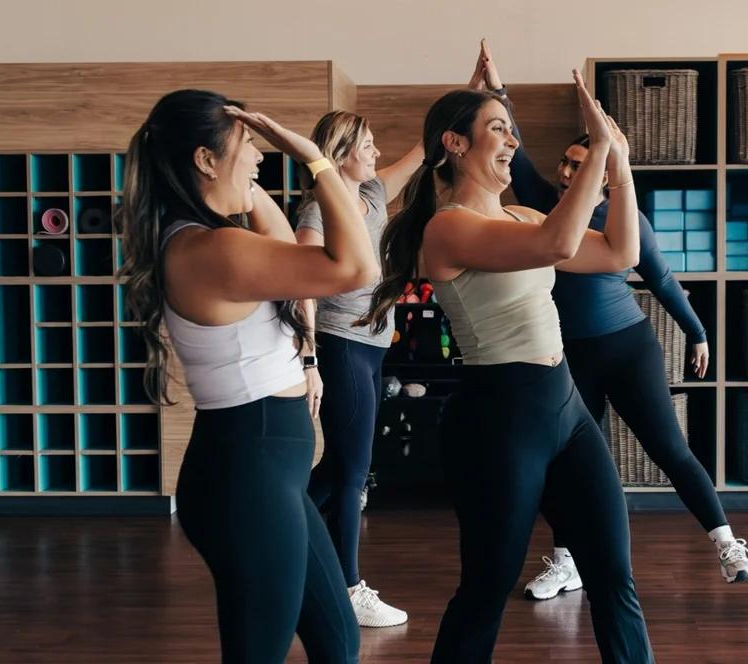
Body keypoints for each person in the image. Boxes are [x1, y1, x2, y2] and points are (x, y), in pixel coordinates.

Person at [360, 70, 654, 662]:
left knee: (613, 577)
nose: (513, 140)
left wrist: (619, 173)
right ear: (455, 143)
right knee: (488, 588)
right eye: (499, 128)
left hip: (565, 407)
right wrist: (599, 151)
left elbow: (621, 253)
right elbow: (559, 246)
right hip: (499, 416)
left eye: (512, 129)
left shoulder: (522, 217)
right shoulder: (448, 228)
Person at [465, 41, 748, 599]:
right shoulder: (542, 202)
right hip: (568, 355)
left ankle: (725, 541)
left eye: (581, 164)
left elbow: (664, 281)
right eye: (566, 163)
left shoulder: (626, 218)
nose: (566, 169)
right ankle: (566, 559)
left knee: (669, 448)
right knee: (569, 463)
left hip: (626, 346)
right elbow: (516, 151)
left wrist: (697, 332)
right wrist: (497, 89)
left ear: (604, 174)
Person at [118, 89, 378, 663]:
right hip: (248, 478)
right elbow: (356, 267)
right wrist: (314, 159)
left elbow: (288, 256)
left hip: (260, 472)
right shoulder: (213, 249)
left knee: (338, 639)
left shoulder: (201, 238)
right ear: (205, 160)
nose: (261, 157)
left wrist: (246, 181)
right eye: (250, 147)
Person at [295, 109, 423, 628]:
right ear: (341, 153)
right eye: (367, 145)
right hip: (339, 345)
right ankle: (349, 587)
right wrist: (309, 360)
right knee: (351, 472)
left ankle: (275, 528)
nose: (375, 153)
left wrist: (473, 93)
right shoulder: (316, 212)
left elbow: (419, 156)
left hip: (371, 347)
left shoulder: (369, 196)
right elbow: (300, 283)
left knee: (341, 465)